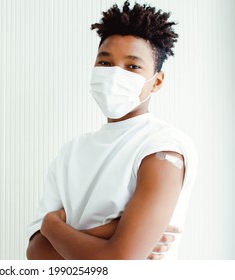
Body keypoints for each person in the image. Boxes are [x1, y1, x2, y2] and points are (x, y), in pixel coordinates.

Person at [26, 1, 197, 260]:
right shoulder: (71, 152)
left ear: (157, 81)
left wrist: (52, 227)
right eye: (105, 63)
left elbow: (119, 261)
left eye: (132, 66)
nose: (115, 74)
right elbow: (36, 253)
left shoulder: (163, 147)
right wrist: (115, 232)